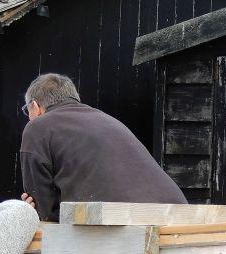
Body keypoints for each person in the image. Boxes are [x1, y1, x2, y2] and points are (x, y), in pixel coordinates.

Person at [19, 73, 187, 221]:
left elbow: (43, 211)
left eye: (28, 111)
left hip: (120, 219)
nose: (29, 118)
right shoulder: (108, 120)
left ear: (35, 106)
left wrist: (30, 209)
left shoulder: (38, 126)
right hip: (179, 212)